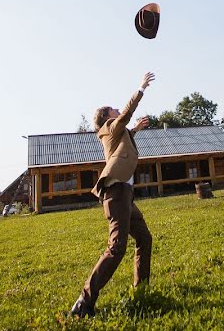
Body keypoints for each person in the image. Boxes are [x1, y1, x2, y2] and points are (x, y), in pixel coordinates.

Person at [70, 72, 155, 318]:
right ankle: (84, 302)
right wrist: (140, 89)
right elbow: (125, 114)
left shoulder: (115, 134)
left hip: (124, 195)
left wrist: (135, 129)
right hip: (116, 193)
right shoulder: (109, 127)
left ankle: (141, 290)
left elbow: (123, 145)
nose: (118, 110)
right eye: (113, 109)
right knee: (117, 247)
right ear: (107, 117)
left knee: (144, 238)